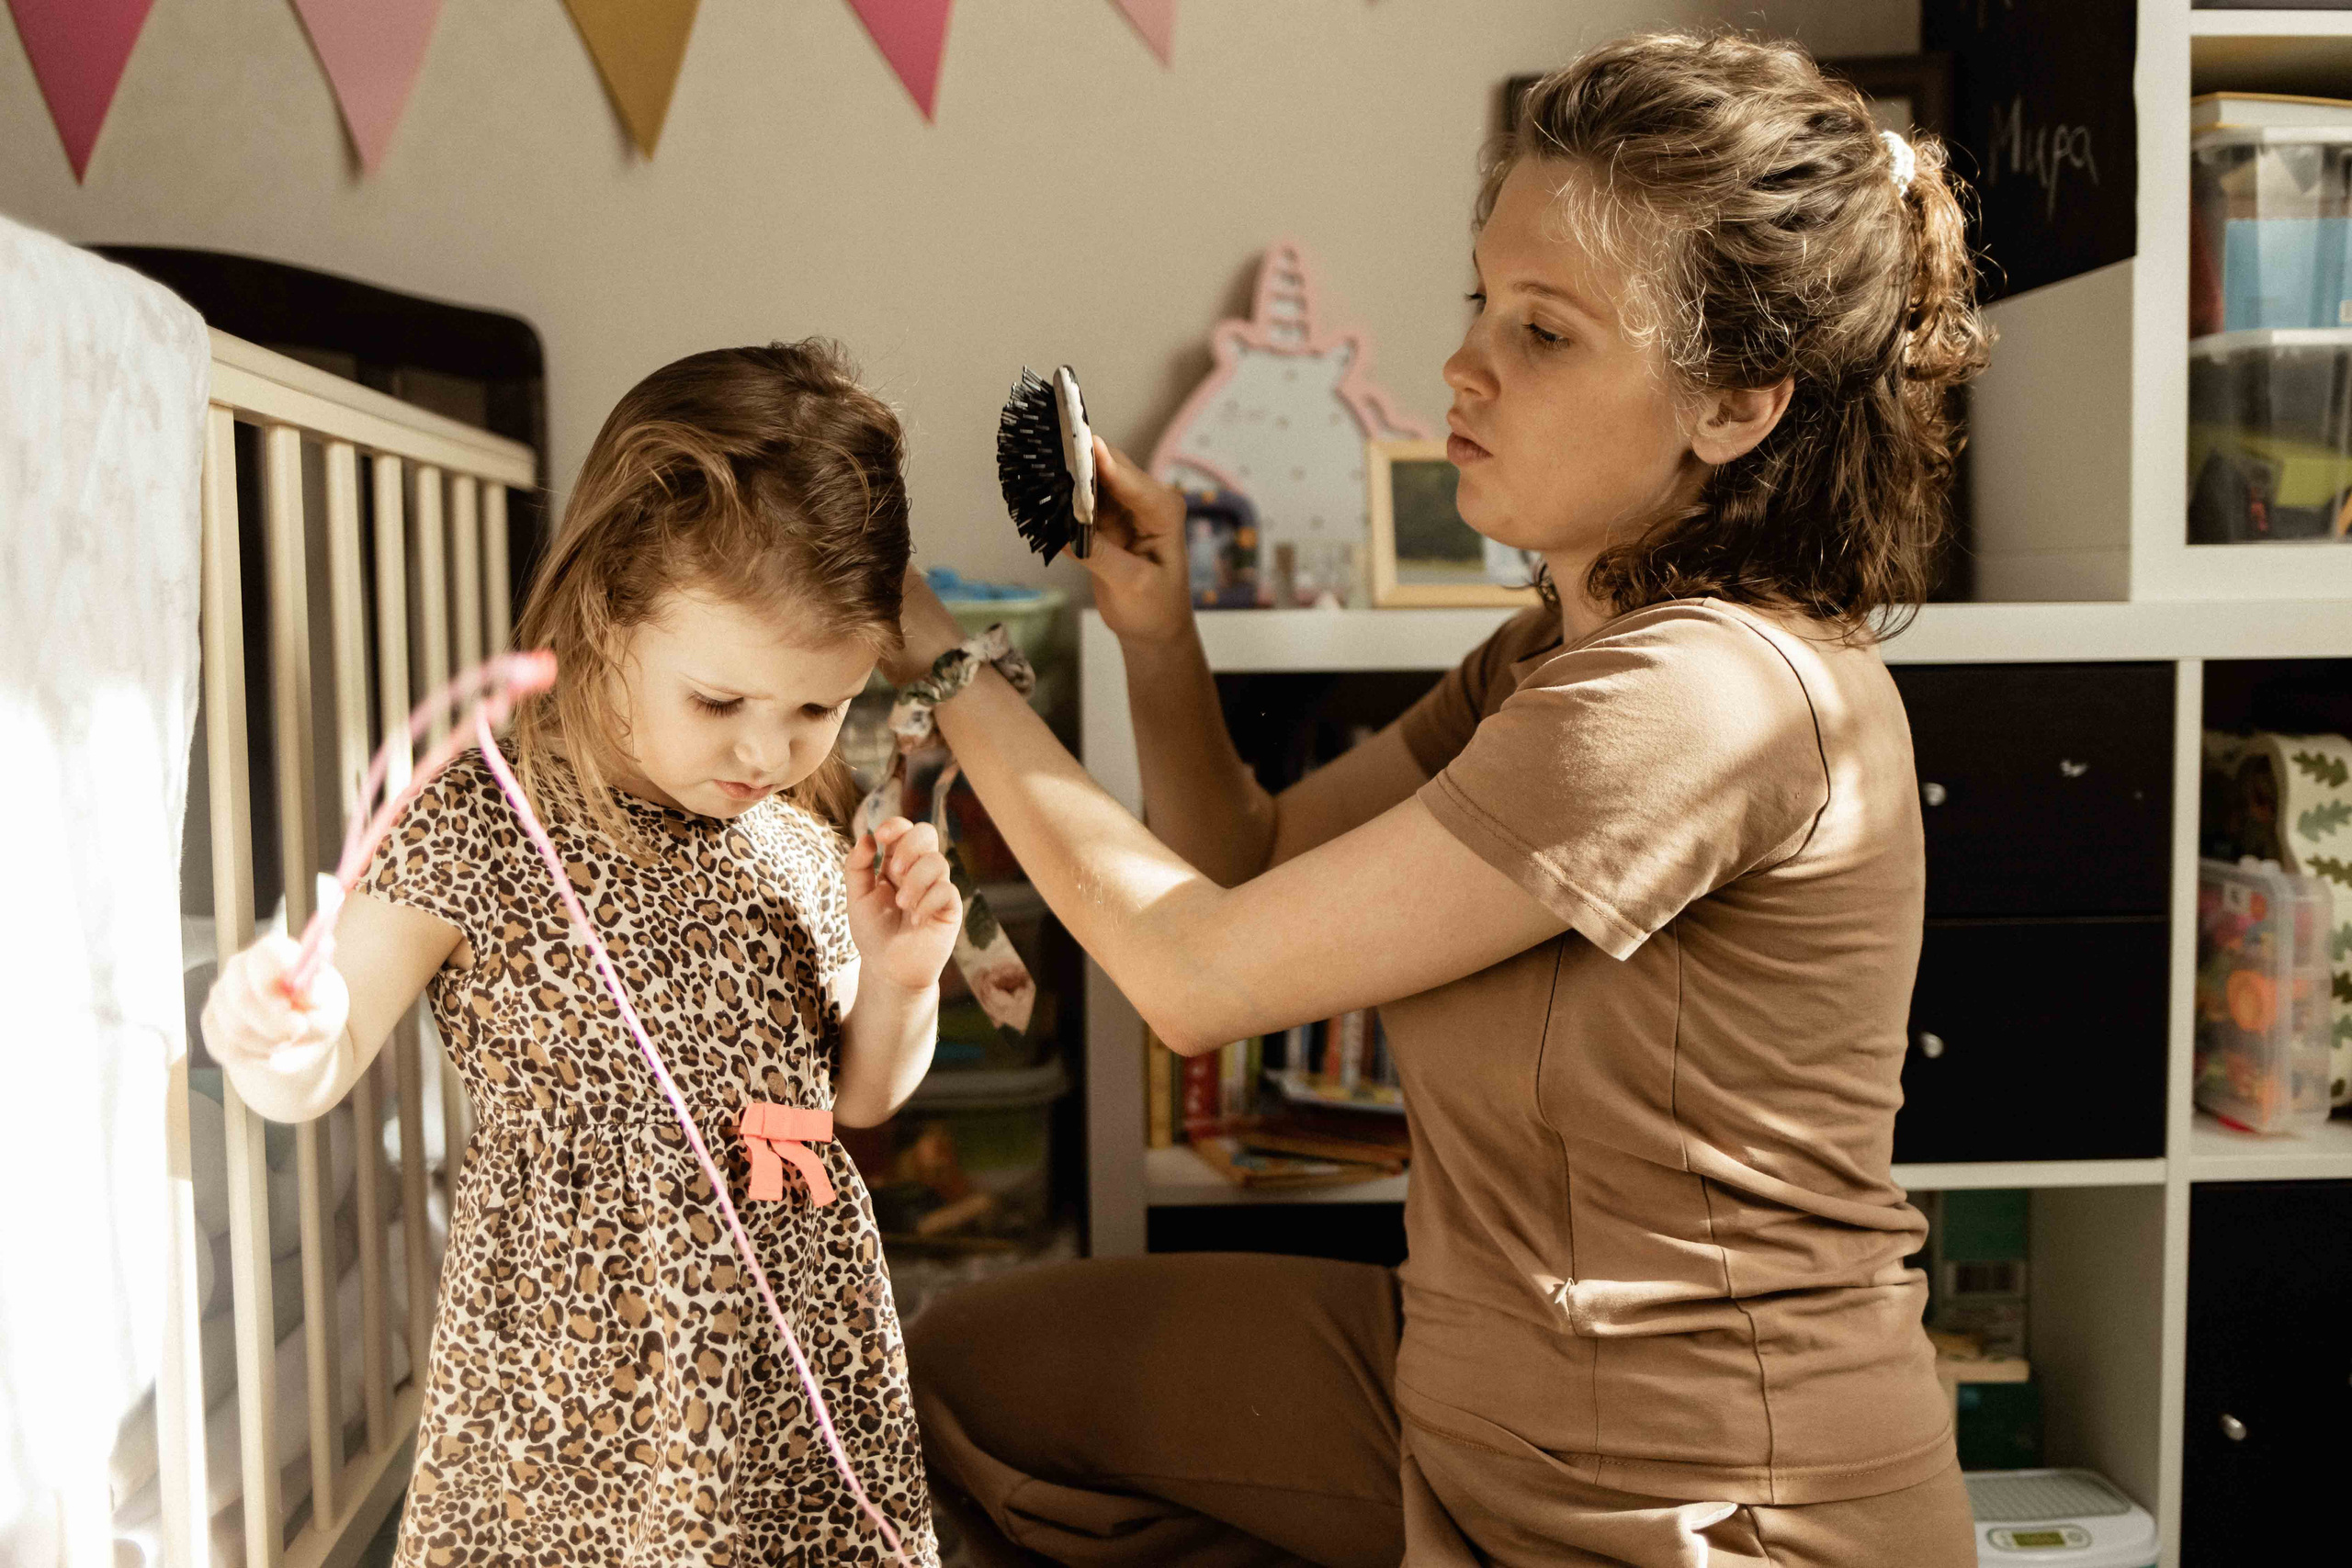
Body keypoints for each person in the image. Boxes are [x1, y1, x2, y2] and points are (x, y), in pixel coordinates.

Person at [900, 30, 1989, 1568]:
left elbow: (1197, 977)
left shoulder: (1702, 700)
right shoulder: (1555, 653)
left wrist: (945, 666)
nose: (1466, 365)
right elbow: (1250, 862)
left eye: (1546, 334)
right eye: (1485, 301)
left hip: (1693, 1504)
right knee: (968, 1379)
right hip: (1471, 1386)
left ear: (1739, 405)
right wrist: (1157, 635)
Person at [199, 342, 956, 1566]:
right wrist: (277, 1034)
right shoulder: (486, 812)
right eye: (721, 703)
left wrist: (902, 978)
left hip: (791, 1343)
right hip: (572, 1357)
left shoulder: (803, 831)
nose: (768, 752)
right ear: (606, 616)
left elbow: (858, 1099)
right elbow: (322, 1061)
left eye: (816, 710)